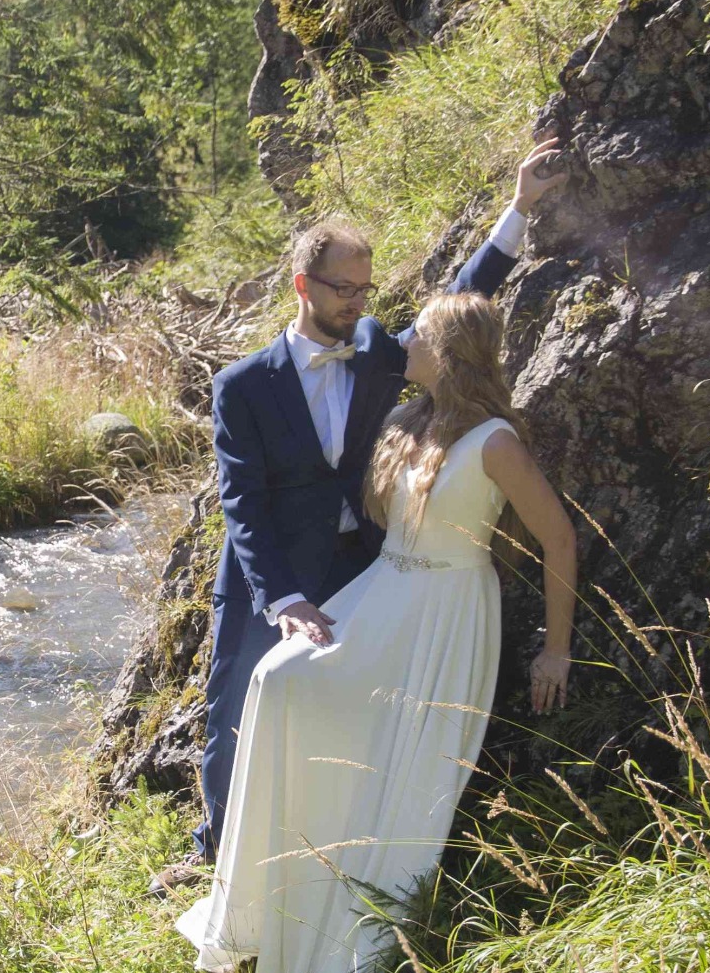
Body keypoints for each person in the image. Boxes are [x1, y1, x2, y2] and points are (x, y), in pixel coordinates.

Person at [149, 141, 565, 898]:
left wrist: (519, 208)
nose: (357, 303)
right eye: (344, 289)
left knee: (351, 711)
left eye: (366, 291)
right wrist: (282, 599)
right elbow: (241, 502)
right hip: (267, 576)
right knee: (238, 705)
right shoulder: (240, 387)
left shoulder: (374, 348)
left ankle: (327, 858)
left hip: (365, 568)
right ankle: (221, 863)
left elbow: (457, 305)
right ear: (303, 286)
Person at [175, 291, 576, 973]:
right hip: (382, 594)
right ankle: (268, 902)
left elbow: (559, 538)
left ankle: (351, 911)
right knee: (278, 679)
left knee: (391, 754)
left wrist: (557, 648)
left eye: (416, 336)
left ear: (447, 353)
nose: (401, 344)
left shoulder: (495, 442)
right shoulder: (405, 421)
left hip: (447, 611)